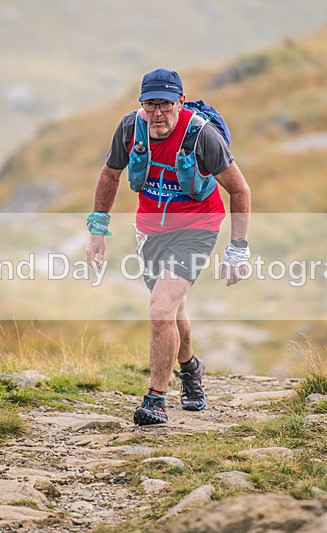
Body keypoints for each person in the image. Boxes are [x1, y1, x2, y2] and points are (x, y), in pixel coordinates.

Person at [86, 68, 251, 426]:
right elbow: (110, 174)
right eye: (149, 104)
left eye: (164, 104)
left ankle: (156, 400)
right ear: (141, 103)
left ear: (180, 100)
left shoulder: (202, 136)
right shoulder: (131, 128)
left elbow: (239, 190)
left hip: (197, 227)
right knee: (172, 309)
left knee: (161, 306)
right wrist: (98, 229)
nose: (157, 112)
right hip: (151, 229)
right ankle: (191, 369)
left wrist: (238, 248)